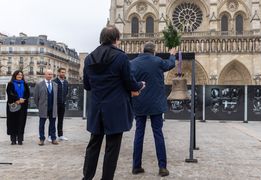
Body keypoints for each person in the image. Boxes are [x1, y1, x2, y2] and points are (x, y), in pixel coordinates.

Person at [82, 25, 145, 180]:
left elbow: (87, 85)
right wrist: (140, 85)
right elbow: (130, 83)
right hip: (115, 108)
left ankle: (87, 177)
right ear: (116, 39)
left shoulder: (89, 58)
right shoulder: (121, 57)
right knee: (112, 147)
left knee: (93, 144)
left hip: (97, 108)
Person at [130, 42, 176, 177]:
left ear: (142, 50)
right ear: (154, 51)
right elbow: (170, 65)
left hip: (139, 103)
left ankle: (136, 166)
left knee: (139, 134)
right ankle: (162, 167)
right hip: (155, 104)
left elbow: (129, 80)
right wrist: (172, 55)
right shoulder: (157, 61)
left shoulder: (133, 63)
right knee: (158, 134)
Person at [34, 69, 59, 146]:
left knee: (53, 124)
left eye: (51, 74)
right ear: (45, 75)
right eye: (48, 74)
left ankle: (53, 138)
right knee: (41, 124)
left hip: (53, 108)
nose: (50, 76)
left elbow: (56, 97)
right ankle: (41, 139)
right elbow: (36, 98)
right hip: (43, 108)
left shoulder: (55, 85)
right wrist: (40, 106)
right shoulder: (39, 85)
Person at [6, 70, 30, 145]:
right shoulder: (10, 84)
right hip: (13, 105)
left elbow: (28, 94)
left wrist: (23, 99)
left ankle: (20, 139)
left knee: (21, 122)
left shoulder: (25, 84)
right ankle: (13, 140)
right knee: (12, 122)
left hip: (23, 106)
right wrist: (17, 99)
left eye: (21, 75)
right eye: (18, 74)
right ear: (15, 75)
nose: (20, 76)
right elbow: (9, 93)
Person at [51, 68, 69, 141]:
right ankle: (51, 135)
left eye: (64, 72)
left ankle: (60, 135)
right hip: (55, 104)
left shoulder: (66, 82)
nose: (63, 74)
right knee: (53, 120)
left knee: (61, 120)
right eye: (62, 72)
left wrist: (64, 100)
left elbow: (66, 92)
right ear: (58, 73)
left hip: (62, 104)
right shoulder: (54, 82)